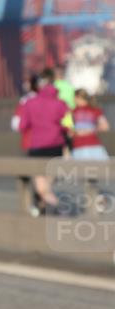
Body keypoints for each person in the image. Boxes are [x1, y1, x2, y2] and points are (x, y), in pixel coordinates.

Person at [15, 73, 69, 213]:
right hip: (56, 146)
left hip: (37, 146)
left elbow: (22, 126)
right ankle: (49, 206)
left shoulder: (29, 103)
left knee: (40, 183)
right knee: (49, 182)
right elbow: (68, 125)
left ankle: (51, 206)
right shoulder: (61, 104)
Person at [70, 89, 110, 160]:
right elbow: (105, 126)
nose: (73, 99)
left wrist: (83, 131)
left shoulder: (73, 112)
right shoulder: (94, 110)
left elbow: (69, 132)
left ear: (77, 97)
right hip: (92, 146)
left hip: (83, 147)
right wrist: (92, 130)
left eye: (74, 97)